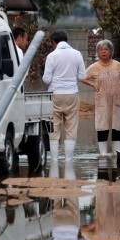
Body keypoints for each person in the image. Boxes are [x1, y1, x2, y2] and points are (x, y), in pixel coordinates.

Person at [42, 29, 87, 162]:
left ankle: (54, 160)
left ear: (54, 42)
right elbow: (82, 76)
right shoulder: (77, 54)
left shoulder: (52, 56)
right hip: (72, 94)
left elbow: (46, 79)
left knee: (54, 128)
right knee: (71, 128)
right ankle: (68, 160)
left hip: (55, 94)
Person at [80, 39, 120, 157]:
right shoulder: (94, 67)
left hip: (116, 101)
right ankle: (103, 154)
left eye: (106, 49)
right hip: (102, 101)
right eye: (101, 49)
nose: (103, 52)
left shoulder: (118, 65)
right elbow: (81, 77)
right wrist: (93, 84)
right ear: (98, 52)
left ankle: (117, 153)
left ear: (111, 51)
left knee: (117, 126)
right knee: (102, 125)